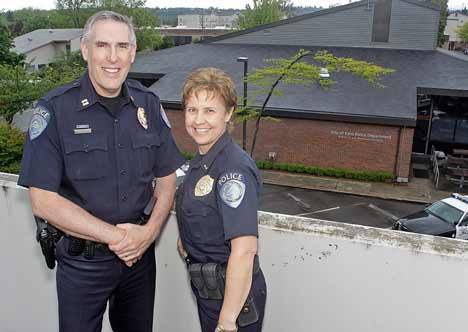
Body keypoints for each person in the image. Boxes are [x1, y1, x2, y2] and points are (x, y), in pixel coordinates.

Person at [18, 11, 185, 332]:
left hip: (138, 261)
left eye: (122, 46)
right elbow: (43, 201)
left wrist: (147, 234)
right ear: (85, 50)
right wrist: (119, 238)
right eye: (102, 45)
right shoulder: (55, 109)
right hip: (84, 263)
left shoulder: (147, 104)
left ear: (133, 53)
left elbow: (167, 177)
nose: (113, 57)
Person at [176, 67, 267, 332]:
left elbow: (245, 250)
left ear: (228, 113)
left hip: (234, 302)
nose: (198, 120)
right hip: (210, 291)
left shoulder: (232, 170)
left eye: (209, 110)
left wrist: (227, 321)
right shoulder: (201, 161)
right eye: (192, 110)